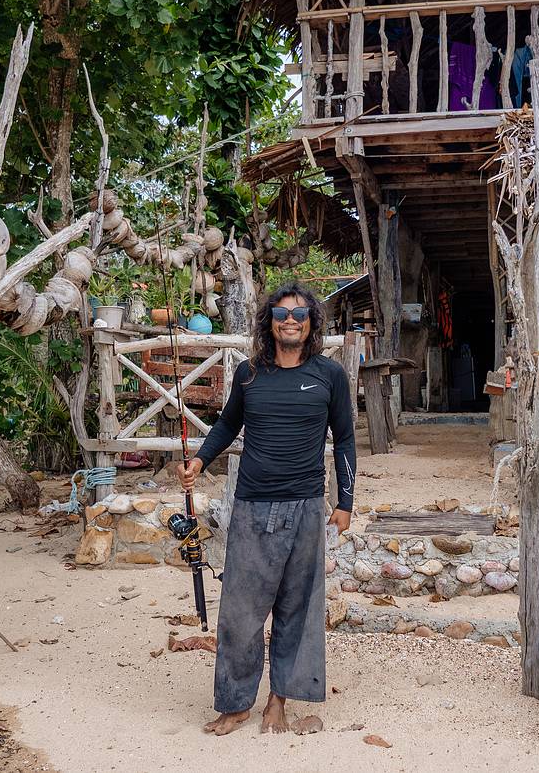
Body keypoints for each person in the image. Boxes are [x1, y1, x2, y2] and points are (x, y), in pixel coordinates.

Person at [178, 281, 356, 736]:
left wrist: (346, 502)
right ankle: (235, 703)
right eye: (281, 314)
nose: (290, 320)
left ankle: (278, 701)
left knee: (297, 607)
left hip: (305, 506)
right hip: (253, 505)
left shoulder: (329, 375)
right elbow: (227, 423)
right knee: (240, 610)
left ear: (312, 321)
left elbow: (346, 439)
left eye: (299, 313)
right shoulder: (250, 374)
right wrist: (199, 459)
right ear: (269, 323)